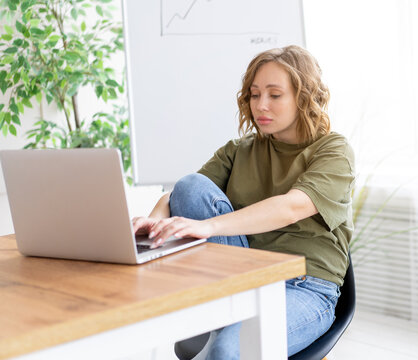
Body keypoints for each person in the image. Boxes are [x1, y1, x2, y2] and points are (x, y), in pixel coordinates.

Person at [132, 45, 355, 359]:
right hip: (244, 278)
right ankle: (227, 315)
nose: (261, 105)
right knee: (190, 185)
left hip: (304, 285)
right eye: (254, 94)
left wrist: (207, 226)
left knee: (226, 352)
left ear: (303, 97)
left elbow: (292, 206)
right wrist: (153, 221)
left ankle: (224, 327)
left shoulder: (333, 150)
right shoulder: (239, 150)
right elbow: (181, 195)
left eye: (274, 95)